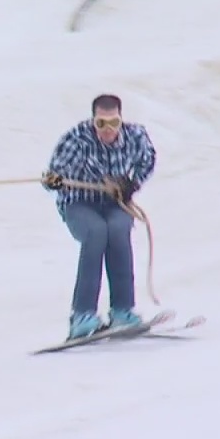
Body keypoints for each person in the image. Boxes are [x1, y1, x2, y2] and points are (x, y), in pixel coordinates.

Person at [40, 94, 156, 340]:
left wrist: (131, 185)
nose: (107, 130)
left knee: (118, 229)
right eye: (101, 123)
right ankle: (82, 315)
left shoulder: (135, 137)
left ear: (121, 120)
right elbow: (52, 178)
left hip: (115, 203)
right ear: (93, 121)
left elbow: (148, 161)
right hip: (79, 204)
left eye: (113, 123)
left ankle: (122, 310)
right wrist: (53, 180)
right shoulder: (76, 139)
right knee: (96, 232)